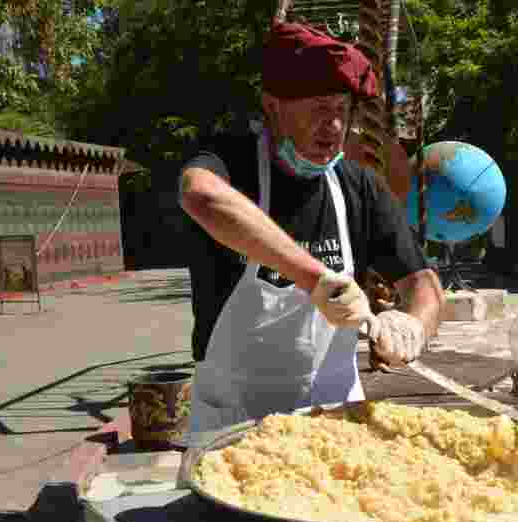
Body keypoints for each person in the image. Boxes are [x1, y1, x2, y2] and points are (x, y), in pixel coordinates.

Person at [178, 16, 444, 434]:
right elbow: (200, 194)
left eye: (342, 111)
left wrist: (413, 325)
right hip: (233, 425)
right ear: (273, 107)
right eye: (320, 110)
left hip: (333, 422)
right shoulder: (232, 163)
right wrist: (318, 280)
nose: (334, 127)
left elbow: (423, 283)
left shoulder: (360, 188)